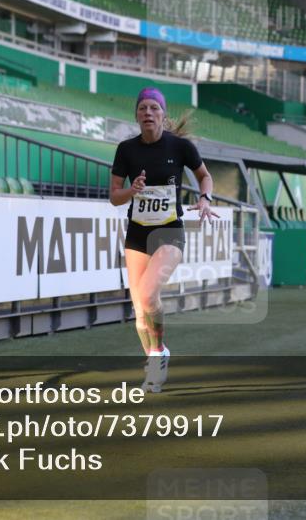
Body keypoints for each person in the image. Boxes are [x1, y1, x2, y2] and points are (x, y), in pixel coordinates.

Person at [110, 87, 217, 392]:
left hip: (169, 231)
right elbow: (114, 197)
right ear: (136, 115)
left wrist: (205, 198)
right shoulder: (126, 150)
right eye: (142, 108)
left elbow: (204, 176)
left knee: (147, 296)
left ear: (163, 114)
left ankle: (158, 354)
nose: (148, 113)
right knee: (140, 315)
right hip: (137, 234)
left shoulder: (180, 147)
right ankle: (156, 363)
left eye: (154, 108)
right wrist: (131, 191)